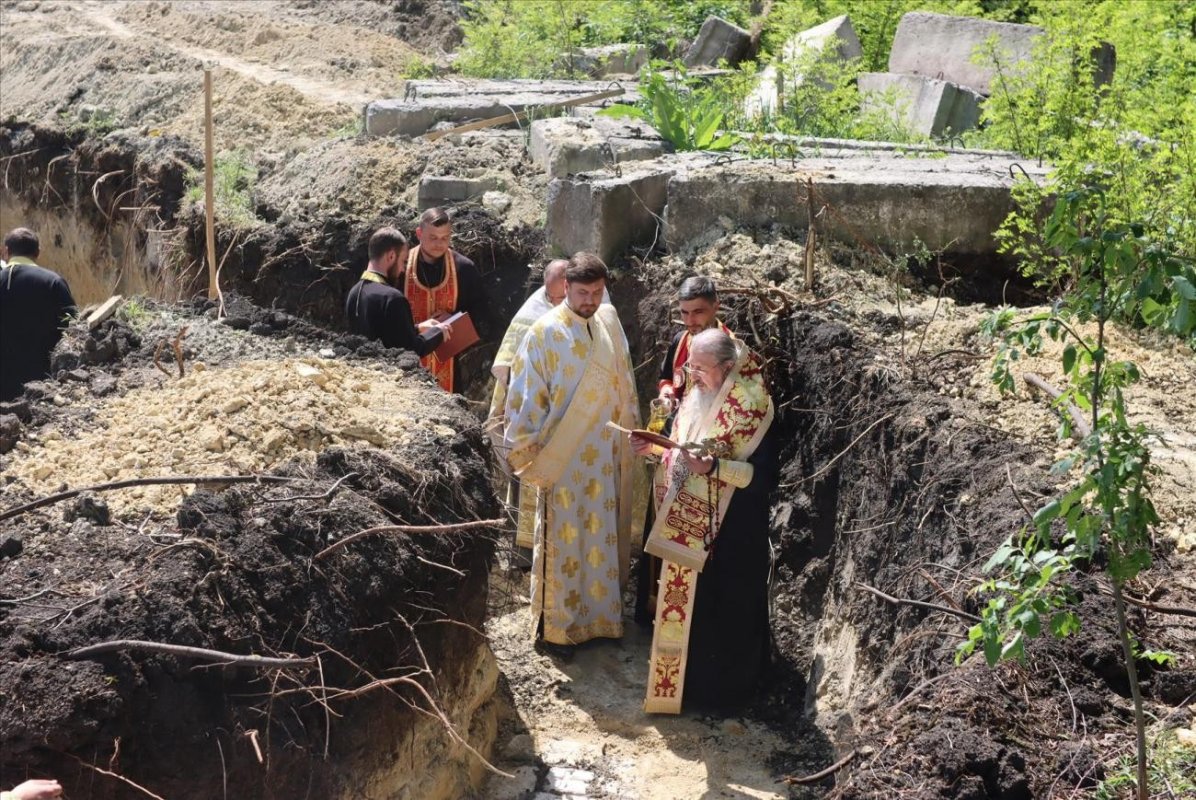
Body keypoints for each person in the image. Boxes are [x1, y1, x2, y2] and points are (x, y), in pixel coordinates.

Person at [631, 329, 777, 714]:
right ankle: (687, 687)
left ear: (727, 367)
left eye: (699, 367)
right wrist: (653, 448)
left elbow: (762, 478)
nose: (691, 374)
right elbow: (679, 453)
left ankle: (727, 695)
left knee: (727, 606)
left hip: (733, 530)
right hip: (687, 519)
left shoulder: (754, 407)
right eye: (689, 365)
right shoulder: (698, 394)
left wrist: (715, 467)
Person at [503, 253, 643, 649]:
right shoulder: (544, 333)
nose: (591, 301)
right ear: (566, 287)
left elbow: (624, 383)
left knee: (601, 539)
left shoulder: (609, 324)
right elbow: (526, 396)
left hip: (603, 456)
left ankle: (601, 622)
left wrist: (629, 434)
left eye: (597, 292)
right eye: (583, 292)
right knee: (564, 543)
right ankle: (559, 630)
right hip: (563, 459)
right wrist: (532, 451)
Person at [488, 258, 569, 560]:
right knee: (523, 483)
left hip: (566, 417)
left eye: (562, 296)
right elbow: (507, 370)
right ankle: (524, 554)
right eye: (553, 297)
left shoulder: (592, 312)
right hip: (531, 417)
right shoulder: (533, 313)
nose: (556, 302)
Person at [400, 207, 486, 392]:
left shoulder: (463, 268)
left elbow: (481, 314)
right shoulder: (402, 266)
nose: (439, 244)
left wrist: (453, 318)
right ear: (419, 233)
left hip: (449, 363)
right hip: (407, 359)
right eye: (433, 238)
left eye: (445, 238)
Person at [345, 227, 450, 356]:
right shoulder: (392, 298)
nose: (402, 270)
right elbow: (410, 350)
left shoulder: (354, 292)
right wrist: (437, 331)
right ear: (391, 256)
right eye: (403, 261)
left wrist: (417, 328)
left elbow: (387, 334)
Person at [0, 228, 77, 401]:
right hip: (41, 384)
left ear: (5, 251)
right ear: (38, 252)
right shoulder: (53, 282)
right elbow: (73, 326)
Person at [656, 276, 731, 409]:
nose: (690, 321)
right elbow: (666, 377)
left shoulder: (730, 349)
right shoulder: (680, 340)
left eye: (698, 312)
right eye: (685, 313)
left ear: (715, 307)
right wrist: (666, 390)